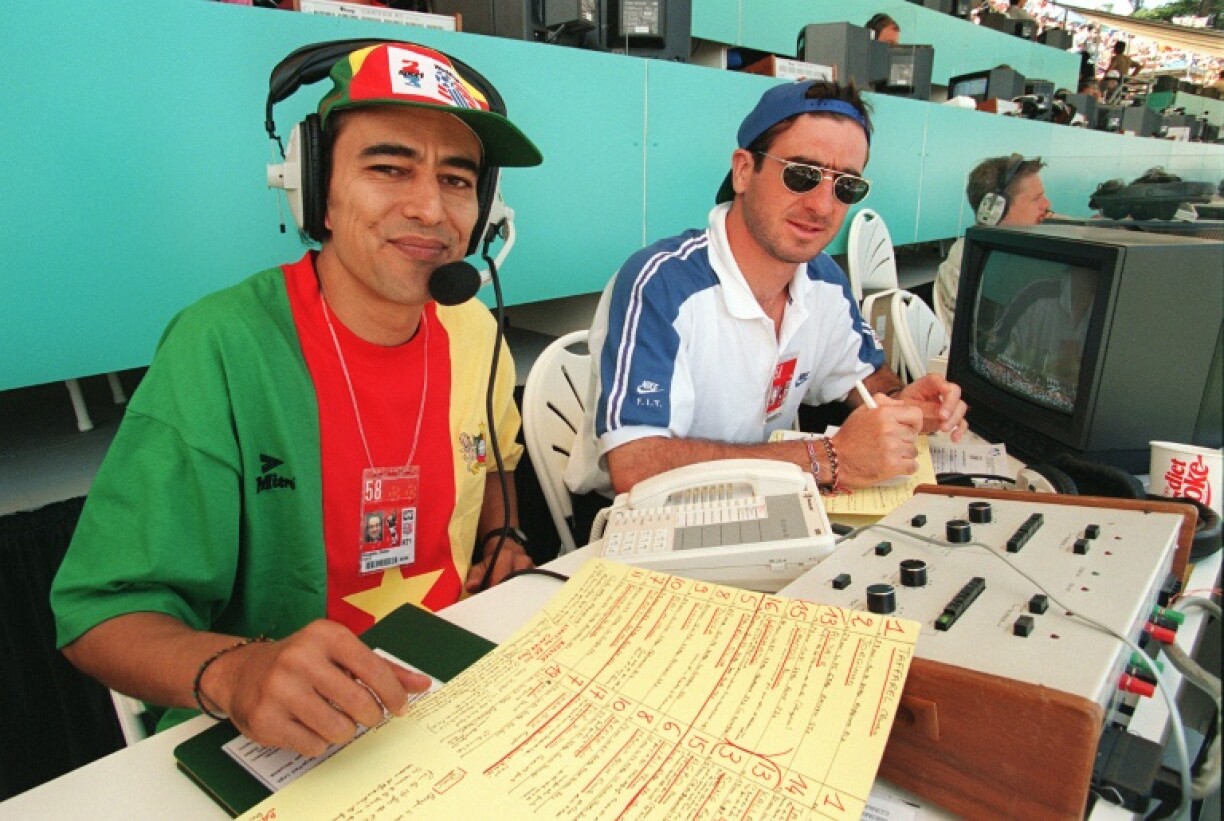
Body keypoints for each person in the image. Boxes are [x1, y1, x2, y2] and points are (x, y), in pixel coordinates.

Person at [50, 41, 543, 757]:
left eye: (457, 179)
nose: (430, 207)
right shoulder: (220, 345)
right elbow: (100, 614)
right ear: (314, 189)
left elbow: (496, 464)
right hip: (274, 742)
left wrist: (506, 534)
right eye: (388, 167)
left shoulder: (475, 330)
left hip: (446, 704)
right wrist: (235, 671)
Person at [564, 80, 967, 515]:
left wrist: (901, 404)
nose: (823, 206)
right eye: (802, 175)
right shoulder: (660, 284)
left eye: (846, 185)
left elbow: (866, 378)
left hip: (757, 502)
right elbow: (636, 467)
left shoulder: (825, 280)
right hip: (642, 521)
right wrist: (829, 457)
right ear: (743, 171)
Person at [934, 154, 1051, 330]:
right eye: (1036, 199)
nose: (1047, 204)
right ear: (995, 209)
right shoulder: (971, 262)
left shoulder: (1011, 252)